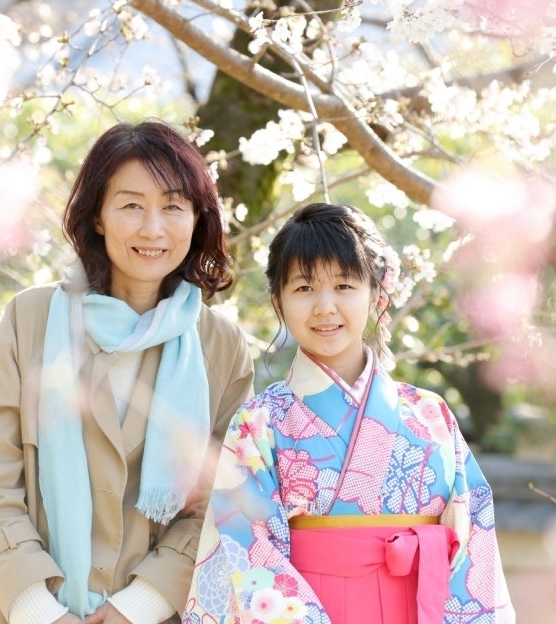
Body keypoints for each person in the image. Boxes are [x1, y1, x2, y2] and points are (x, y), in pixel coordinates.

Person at [0, 120, 255, 624]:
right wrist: (39, 610)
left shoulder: (220, 346)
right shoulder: (32, 319)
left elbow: (219, 499)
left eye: (174, 206)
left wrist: (136, 608)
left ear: (198, 218)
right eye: (132, 205)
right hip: (16, 610)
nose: (153, 228)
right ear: (97, 217)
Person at [182, 203, 515, 624]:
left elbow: (473, 540)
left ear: (377, 294)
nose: (324, 307)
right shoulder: (259, 423)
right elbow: (244, 551)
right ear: (279, 301)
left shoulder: (431, 414)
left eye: (344, 285)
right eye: (304, 288)